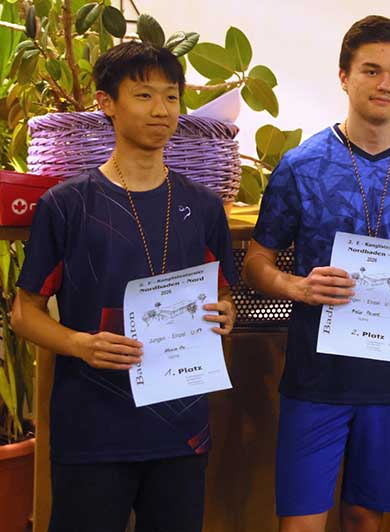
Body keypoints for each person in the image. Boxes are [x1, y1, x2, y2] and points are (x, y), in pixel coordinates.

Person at [12, 41, 237, 532]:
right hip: (92, 427)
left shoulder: (204, 207)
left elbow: (222, 294)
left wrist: (225, 312)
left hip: (181, 429)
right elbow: (24, 312)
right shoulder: (67, 205)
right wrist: (80, 344)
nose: (161, 110)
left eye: (171, 97)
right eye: (143, 95)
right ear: (106, 104)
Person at [242, 15, 390, 532]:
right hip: (315, 376)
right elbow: (255, 263)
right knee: (302, 523)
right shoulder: (301, 165)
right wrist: (296, 286)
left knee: (365, 517)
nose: (385, 84)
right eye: (371, 70)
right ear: (344, 76)